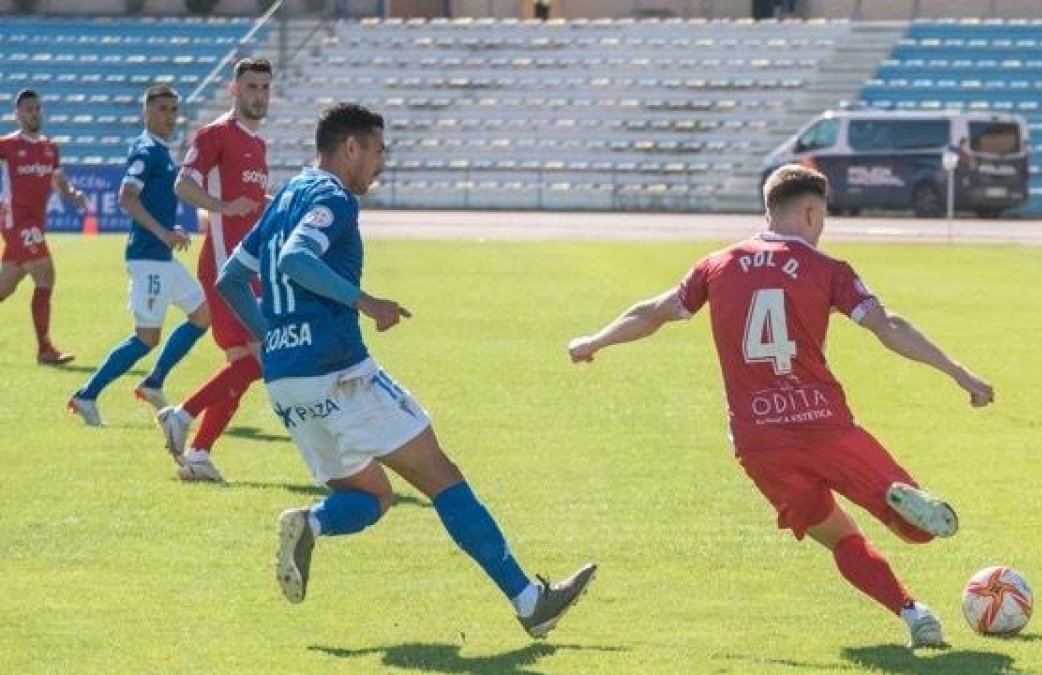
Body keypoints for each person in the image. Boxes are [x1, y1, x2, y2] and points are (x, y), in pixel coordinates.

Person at [567, 164, 995, 649]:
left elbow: (652, 313)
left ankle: (913, 614)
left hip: (759, 442)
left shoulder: (716, 265)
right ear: (812, 211)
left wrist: (594, 340)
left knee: (839, 538)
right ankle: (903, 502)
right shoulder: (829, 270)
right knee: (916, 532)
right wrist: (960, 372)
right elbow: (887, 325)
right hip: (826, 427)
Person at [215, 102, 596, 637]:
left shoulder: (283, 200)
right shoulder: (332, 197)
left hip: (288, 381)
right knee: (442, 477)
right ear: (351, 147)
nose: (380, 164)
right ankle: (530, 602)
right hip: (340, 372)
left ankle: (312, 522)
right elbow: (298, 259)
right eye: (376, 151)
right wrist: (365, 301)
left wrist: (272, 340)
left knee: (372, 497)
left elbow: (231, 278)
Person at [155, 57, 272, 481]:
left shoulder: (259, 145)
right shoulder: (215, 134)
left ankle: (200, 454)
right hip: (226, 266)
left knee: (243, 362)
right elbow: (183, 183)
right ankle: (182, 414)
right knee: (262, 357)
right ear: (234, 90)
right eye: (251, 87)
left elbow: (254, 203)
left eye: (264, 87)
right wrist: (221, 207)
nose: (258, 95)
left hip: (249, 267)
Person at [68, 86, 211, 427]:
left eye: (174, 109)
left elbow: (146, 200)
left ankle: (154, 381)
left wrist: (168, 227)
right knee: (146, 337)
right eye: (163, 109)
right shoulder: (147, 150)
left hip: (161, 256)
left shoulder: (160, 151)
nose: (170, 116)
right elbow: (126, 197)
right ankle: (86, 395)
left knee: (202, 315)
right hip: (148, 257)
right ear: (146, 112)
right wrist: (163, 232)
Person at [0, 89, 89, 365]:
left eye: (37, 109)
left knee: (5, 286)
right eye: (28, 110)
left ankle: (45, 349)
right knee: (46, 275)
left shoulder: (50, 146)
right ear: (17, 115)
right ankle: (45, 349)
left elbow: (59, 180)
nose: (34, 114)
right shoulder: (6, 145)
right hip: (16, 220)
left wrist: (72, 194)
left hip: (34, 223)